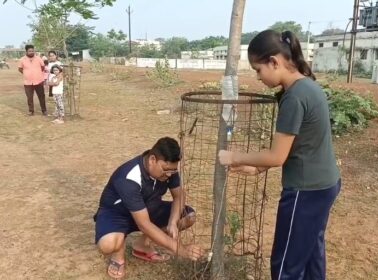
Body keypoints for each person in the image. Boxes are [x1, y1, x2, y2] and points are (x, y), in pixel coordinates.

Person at [218, 30, 341, 280]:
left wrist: (234, 157)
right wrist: (259, 167)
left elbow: (277, 156)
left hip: (305, 192)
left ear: (274, 62)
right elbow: (300, 144)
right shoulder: (307, 85)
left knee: (286, 263)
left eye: (258, 70)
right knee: (310, 253)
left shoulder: (295, 97)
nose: (258, 77)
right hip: (324, 185)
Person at [94, 137, 204, 279]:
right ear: (152, 160)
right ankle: (118, 254)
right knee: (108, 244)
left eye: (173, 171)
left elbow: (179, 196)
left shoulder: (169, 171)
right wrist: (181, 250)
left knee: (188, 217)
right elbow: (144, 224)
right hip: (117, 214)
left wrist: (172, 221)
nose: (169, 174)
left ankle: (142, 244)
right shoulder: (129, 177)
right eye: (166, 170)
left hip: (146, 209)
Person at [18, 44, 47, 116]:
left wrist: (38, 74)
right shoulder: (22, 60)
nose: (31, 52)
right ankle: (31, 111)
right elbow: (20, 69)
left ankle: (44, 110)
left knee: (41, 96)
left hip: (39, 81)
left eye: (32, 51)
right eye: (29, 51)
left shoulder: (38, 58)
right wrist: (27, 74)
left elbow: (42, 67)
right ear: (26, 51)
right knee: (29, 98)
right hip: (27, 82)